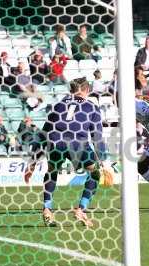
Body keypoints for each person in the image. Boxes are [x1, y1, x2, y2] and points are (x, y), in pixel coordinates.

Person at [24, 77, 114, 227]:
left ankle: (47, 209)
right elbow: (96, 137)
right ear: (87, 90)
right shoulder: (91, 107)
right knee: (95, 173)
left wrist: (32, 162)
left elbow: (43, 133)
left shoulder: (58, 105)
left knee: (52, 171)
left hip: (55, 141)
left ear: (70, 90)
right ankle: (81, 209)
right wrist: (104, 162)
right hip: (77, 143)